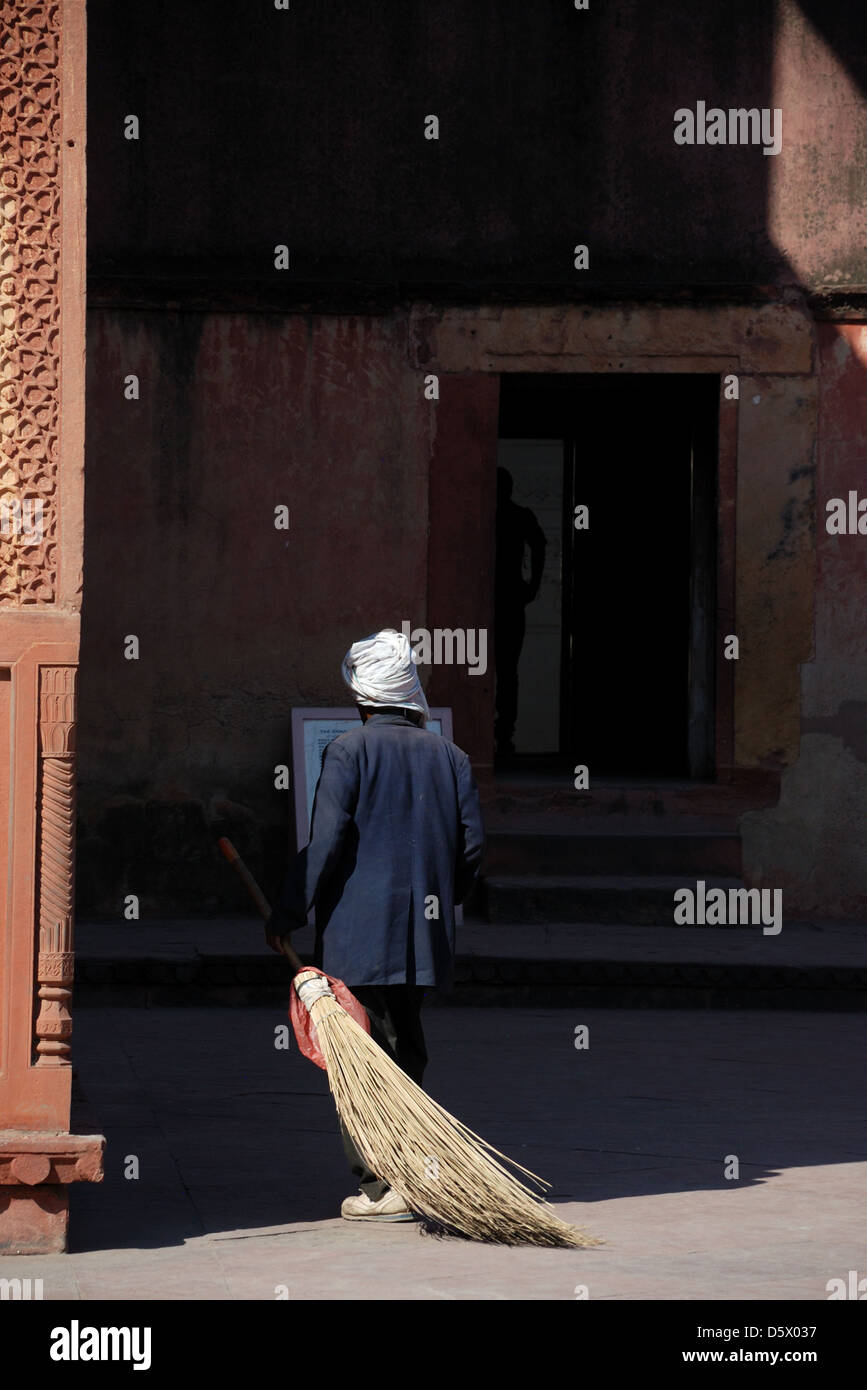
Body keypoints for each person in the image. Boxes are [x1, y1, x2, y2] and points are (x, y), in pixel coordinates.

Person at [265, 628, 485, 1222]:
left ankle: (381, 1187)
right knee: (405, 1045)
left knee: (360, 1053)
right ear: (410, 696)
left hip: (358, 939)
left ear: (363, 699)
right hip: (423, 938)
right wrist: (442, 901)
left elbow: (326, 841)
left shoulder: (349, 750)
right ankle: (410, 1170)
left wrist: (289, 911)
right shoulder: (451, 757)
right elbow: (470, 850)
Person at [494, 467, 546, 758]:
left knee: (503, 671)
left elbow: (539, 546)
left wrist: (533, 585)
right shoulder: (517, 515)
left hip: (507, 598)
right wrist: (532, 585)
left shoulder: (512, 516)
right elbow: (539, 546)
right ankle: (503, 735)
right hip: (508, 598)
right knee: (506, 671)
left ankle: (503, 735)